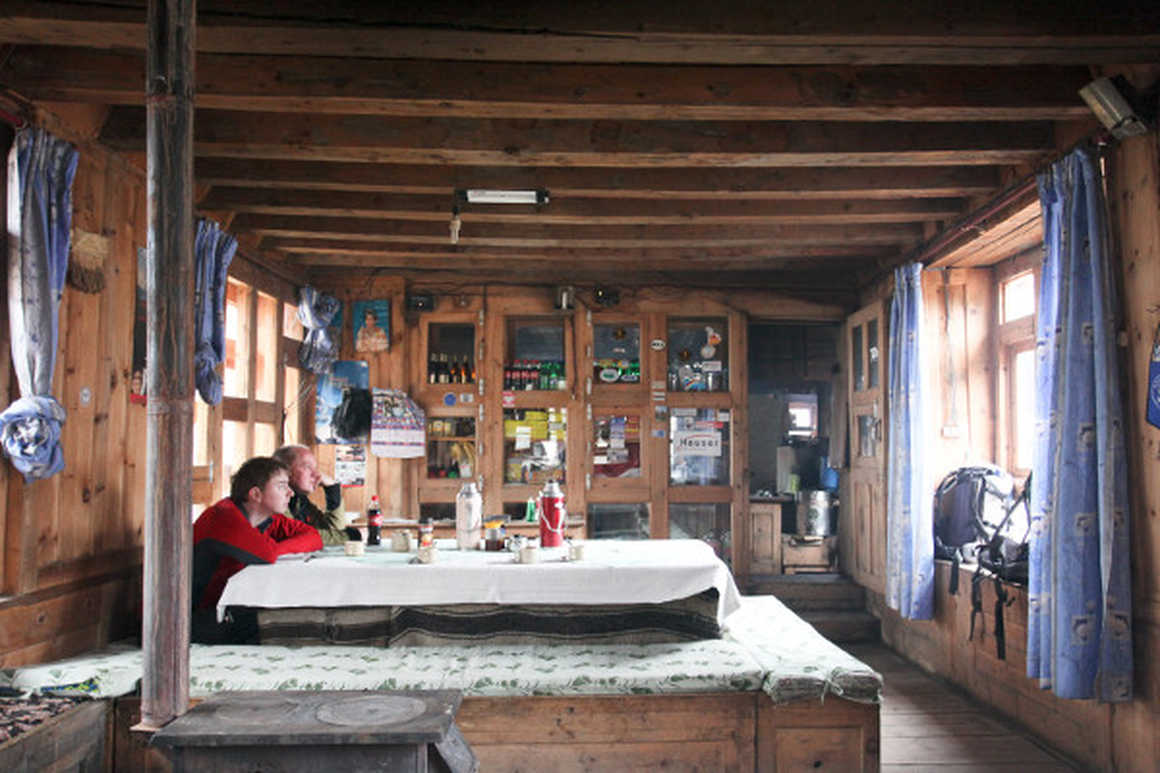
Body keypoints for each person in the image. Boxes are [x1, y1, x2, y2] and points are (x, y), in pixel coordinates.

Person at [192, 456, 322, 644]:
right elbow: (266, 554)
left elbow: (313, 537)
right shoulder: (223, 515)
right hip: (187, 619)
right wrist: (274, 549)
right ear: (256, 494)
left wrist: (276, 548)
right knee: (284, 629)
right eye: (281, 486)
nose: (290, 493)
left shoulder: (266, 518)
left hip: (226, 609)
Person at [273, 444, 346, 545]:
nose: (317, 474)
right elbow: (295, 536)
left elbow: (332, 529)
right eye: (307, 467)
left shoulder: (298, 500)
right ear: (283, 470)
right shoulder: (271, 497)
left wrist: (332, 488)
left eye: (315, 468)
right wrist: (349, 536)